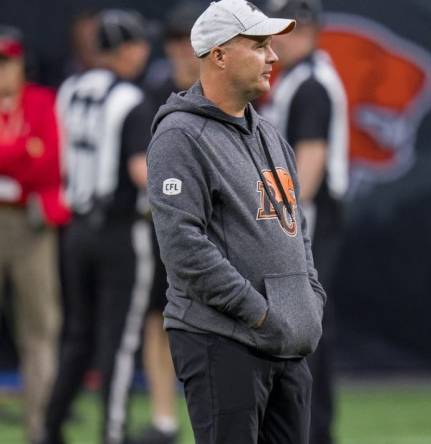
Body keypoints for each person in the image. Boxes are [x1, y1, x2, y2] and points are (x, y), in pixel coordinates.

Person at [146, 1, 325, 443]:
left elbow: (294, 225)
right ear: (220, 56)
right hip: (221, 340)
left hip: (285, 344)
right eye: (260, 45)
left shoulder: (268, 132)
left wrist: (310, 297)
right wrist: (260, 314)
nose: (274, 56)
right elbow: (183, 247)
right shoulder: (179, 136)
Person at [42, 10, 153, 444]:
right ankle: (113, 434)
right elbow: (140, 169)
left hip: (76, 229)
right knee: (119, 341)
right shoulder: (129, 98)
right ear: (124, 49)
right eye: (139, 44)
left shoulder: (70, 90)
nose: (144, 53)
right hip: (119, 230)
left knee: (78, 337)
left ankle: (49, 429)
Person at [258, 1, 348, 443]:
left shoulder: (311, 83)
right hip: (301, 217)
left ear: (308, 31)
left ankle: (315, 431)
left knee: (308, 331)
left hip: (308, 219)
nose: (276, 41)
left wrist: (280, 219)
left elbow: (309, 166)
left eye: (286, 31)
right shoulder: (297, 77)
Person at [130, 4, 203, 443]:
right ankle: (164, 417)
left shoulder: (221, 93)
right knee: (158, 321)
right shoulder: (155, 91)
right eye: (174, 41)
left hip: (214, 228)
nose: (180, 50)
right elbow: (140, 162)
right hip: (163, 224)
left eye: (187, 41)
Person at [0, 26, 69, 444]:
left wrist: (14, 161)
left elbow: (48, 166)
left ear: (21, 63)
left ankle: (40, 428)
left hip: (30, 222)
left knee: (40, 329)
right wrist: (21, 155)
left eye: (6, 62)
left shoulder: (40, 101)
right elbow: (27, 157)